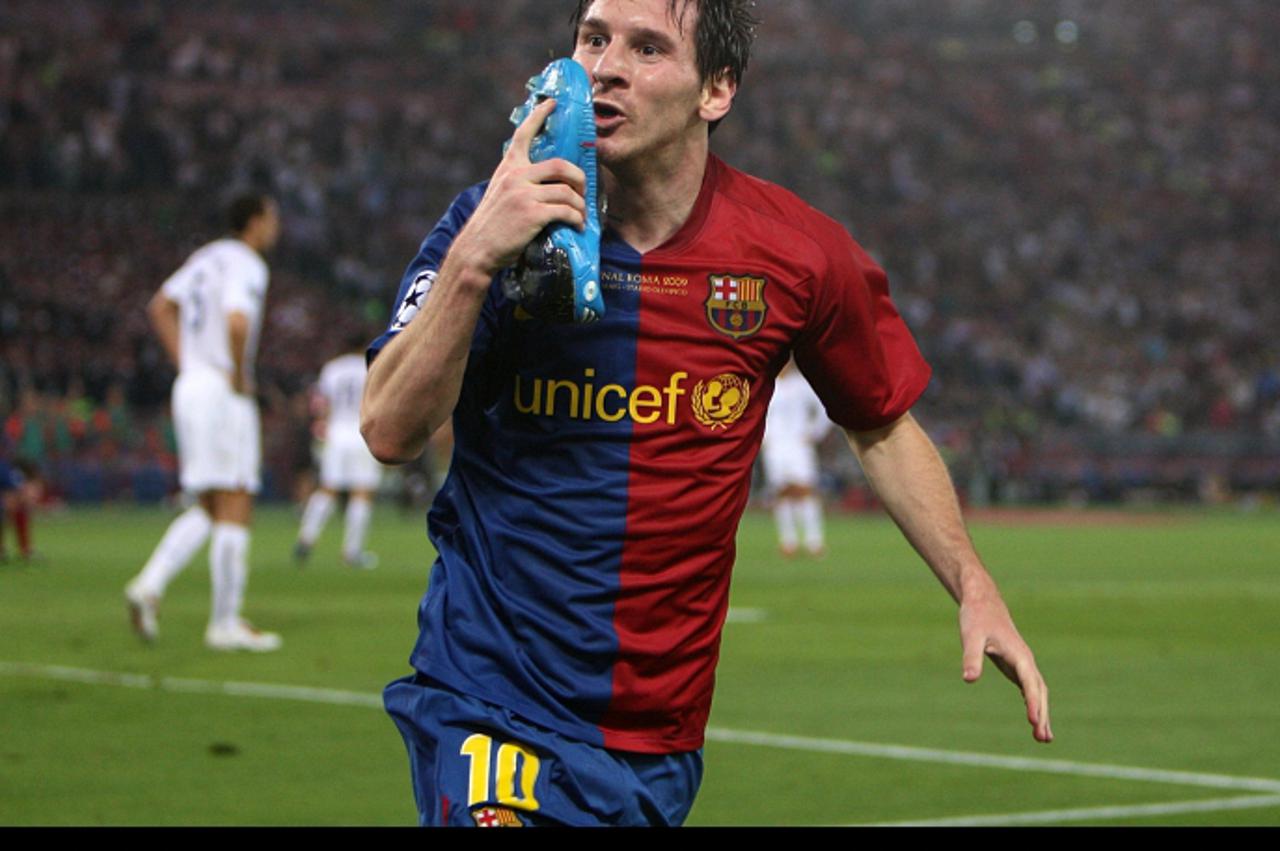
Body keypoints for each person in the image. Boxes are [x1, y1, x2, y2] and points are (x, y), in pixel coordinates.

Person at [362, 0, 1051, 827]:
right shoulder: (495, 225)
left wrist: (973, 582)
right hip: (490, 702)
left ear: (715, 90)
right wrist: (475, 257)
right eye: (593, 39)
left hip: (657, 738)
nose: (605, 66)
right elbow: (388, 431)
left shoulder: (797, 254)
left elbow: (879, 425)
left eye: (647, 47)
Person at [124, 192, 282, 652]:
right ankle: (225, 624)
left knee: (210, 504)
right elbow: (237, 324)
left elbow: (160, 307)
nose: (276, 228)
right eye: (272, 219)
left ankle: (148, 585)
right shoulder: (247, 263)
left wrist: (187, 361)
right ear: (254, 222)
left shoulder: (204, 257)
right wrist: (237, 374)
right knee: (236, 499)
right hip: (221, 390)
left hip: (192, 386)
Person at [294, 334, 385, 570]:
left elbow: (322, 405)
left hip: (336, 434)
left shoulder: (332, 369)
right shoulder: (373, 365)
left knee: (327, 489)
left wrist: (322, 431)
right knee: (362, 493)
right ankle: (351, 552)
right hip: (362, 432)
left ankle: (306, 538)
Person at [761, 358, 831, 557]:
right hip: (775, 447)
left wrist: (814, 433)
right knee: (782, 492)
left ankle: (814, 540)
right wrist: (764, 438)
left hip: (798, 445)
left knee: (805, 490)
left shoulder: (802, 384)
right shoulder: (767, 384)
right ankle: (788, 541)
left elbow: (824, 409)